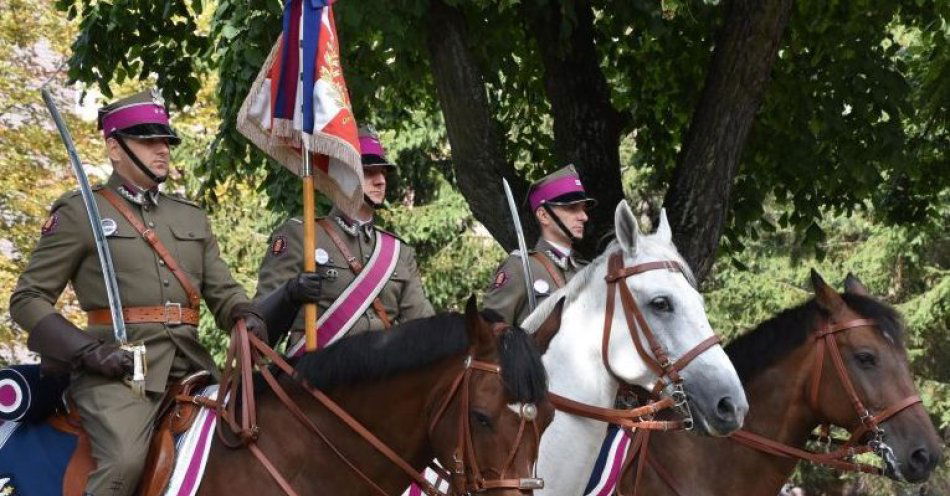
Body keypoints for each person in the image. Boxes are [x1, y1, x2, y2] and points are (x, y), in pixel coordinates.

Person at [9, 89, 267, 496]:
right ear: (114, 147)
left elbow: (224, 292)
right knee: (124, 462)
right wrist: (87, 351)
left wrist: (245, 315)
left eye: (165, 141)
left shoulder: (190, 217)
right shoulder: (81, 213)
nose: (161, 150)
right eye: (148, 141)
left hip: (192, 367)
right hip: (115, 377)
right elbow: (27, 299)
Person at [255, 126, 434, 352]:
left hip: (383, 376)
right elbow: (260, 325)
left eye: (383, 172)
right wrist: (289, 294)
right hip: (318, 373)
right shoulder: (302, 234)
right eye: (369, 172)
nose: (381, 181)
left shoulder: (398, 252)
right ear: (342, 175)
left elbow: (423, 326)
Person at [483, 164, 596, 326]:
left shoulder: (586, 269)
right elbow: (489, 336)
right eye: (572, 208)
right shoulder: (520, 268)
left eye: (584, 209)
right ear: (543, 215)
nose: (584, 216)